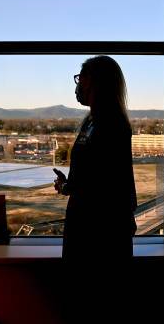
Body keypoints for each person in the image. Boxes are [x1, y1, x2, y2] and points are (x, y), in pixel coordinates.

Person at [53, 55, 137, 262]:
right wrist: (67, 185)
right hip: (87, 224)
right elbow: (91, 177)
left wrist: (68, 187)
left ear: (96, 83)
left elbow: (104, 185)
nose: (77, 85)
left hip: (100, 230)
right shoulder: (93, 122)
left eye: (81, 78)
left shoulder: (111, 125)